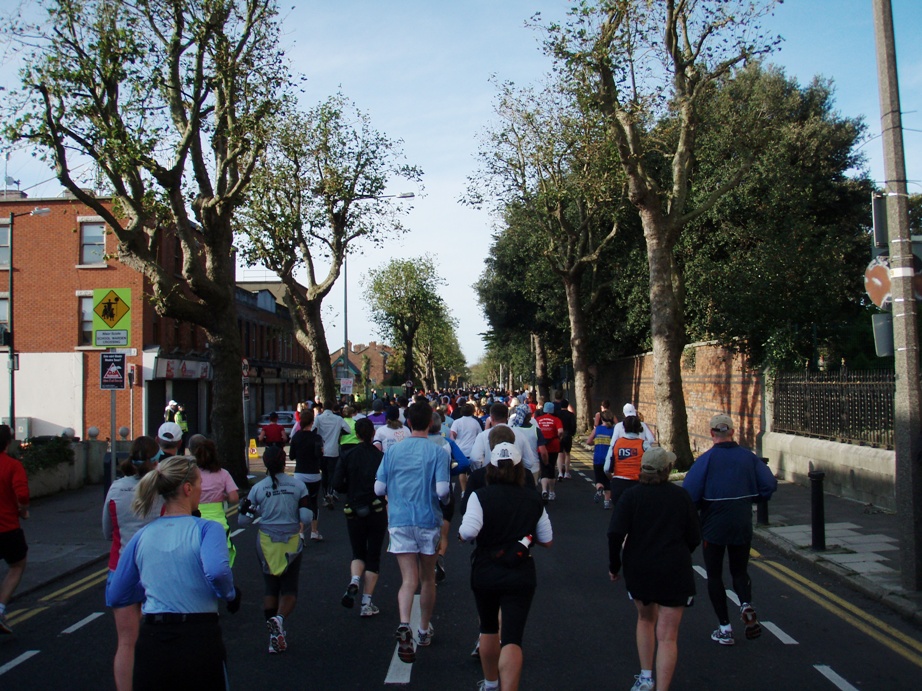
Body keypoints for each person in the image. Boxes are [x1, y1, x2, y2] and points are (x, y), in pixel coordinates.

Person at [106, 456, 241, 690]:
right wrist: (230, 594)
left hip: (153, 640)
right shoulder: (208, 529)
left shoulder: (143, 535)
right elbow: (218, 572)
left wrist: (153, 584)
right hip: (199, 636)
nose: (202, 489)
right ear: (188, 489)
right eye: (200, 484)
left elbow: (117, 593)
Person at [459, 441, 553, 691]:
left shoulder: (481, 496)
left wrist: (461, 534)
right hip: (520, 570)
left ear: (491, 468)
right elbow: (547, 539)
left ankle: (490, 683)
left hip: (486, 569)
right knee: (512, 637)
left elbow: (468, 532)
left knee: (488, 627)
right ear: (519, 469)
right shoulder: (532, 499)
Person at [608, 447, 700, 691]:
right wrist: (680, 554)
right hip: (674, 570)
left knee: (645, 619)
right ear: (667, 470)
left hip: (641, 568)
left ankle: (646, 677)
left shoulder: (631, 496)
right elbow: (694, 536)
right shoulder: (681, 497)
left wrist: (614, 565)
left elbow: (615, 533)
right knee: (668, 635)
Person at [683, 413, 778, 646]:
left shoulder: (706, 460)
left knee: (714, 575)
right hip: (741, 521)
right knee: (740, 571)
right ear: (733, 432)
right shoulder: (749, 457)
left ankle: (725, 628)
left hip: (714, 524)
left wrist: (697, 509)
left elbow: (690, 493)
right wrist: (753, 497)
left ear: (712, 433)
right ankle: (745, 604)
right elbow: (768, 485)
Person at [374, 402, 450, 664]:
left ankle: (404, 622)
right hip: (428, 519)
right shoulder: (438, 451)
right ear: (430, 423)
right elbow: (442, 492)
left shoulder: (392, 451)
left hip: (399, 519)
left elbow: (378, 488)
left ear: (407, 422)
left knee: (408, 580)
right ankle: (423, 630)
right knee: (428, 578)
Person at [101, 435, 162, 690]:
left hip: (121, 568)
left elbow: (107, 531)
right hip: (157, 571)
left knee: (126, 642)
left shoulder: (116, 488)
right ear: (156, 460)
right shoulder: (162, 490)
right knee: (159, 640)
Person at [238, 446, 312, 654]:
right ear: (283, 461)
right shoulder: (298, 486)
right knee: (289, 588)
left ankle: (273, 636)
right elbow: (306, 518)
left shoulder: (258, 489)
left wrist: (259, 510)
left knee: (270, 587)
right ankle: (279, 620)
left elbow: (243, 520)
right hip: (291, 541)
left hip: (266, 542)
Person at [332, 418, 387, 617]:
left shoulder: (347, 455)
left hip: (353, 508)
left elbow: (337, 484)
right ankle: (367, 602)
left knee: (357, 552)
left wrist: (351, 490)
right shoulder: (380, 457)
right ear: (373, 434)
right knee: (373, 555)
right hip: (376, 508)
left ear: (356, 434)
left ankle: (355, 579)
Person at [0, 424, 29, 635]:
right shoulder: (12, 465)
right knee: (17, 565)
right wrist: (23, 510)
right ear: (8, 443)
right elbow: (23, 495)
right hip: (7, 528)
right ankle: (0, 608)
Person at [194, 438, 239, 567]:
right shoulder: (223, 474)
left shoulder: (193, 474)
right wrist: (224, 497)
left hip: (196, 519)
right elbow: (234, 498)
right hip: (218, 520)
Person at [289, 408, 326, 542]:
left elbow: (292, 456)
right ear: (312, 422)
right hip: (314, 474)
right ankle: (314, 531)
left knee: (301, 502)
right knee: (313, 502)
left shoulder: (296, 437)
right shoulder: (317, 438)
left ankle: (300, 532)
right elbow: (320, 455)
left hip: (299, 474)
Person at [605, 416, 653, 510]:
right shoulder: (644, 445)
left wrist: (612, 478)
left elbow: (606, 468)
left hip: (618, 484)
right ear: (640, 428)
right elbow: (651, 466)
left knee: (620, 516)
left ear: (624, 427)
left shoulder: (616, 444)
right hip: (637, 484)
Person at [314, 402, 351, 509]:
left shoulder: (319, 418)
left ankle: (325, 495)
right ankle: (331, 492)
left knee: (324, 473)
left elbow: (313, 430)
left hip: (322, 450)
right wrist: (339, 433)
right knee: (332, 473)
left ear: (323, 408)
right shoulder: (338, 419)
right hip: (333, 450)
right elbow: (348, 430)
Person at [604, 403, 655, 469]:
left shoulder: (619, 426)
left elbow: (613, 444)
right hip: (639, 456)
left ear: (624, 413)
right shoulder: (642, 425)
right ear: (635, 412)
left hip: (622, 457)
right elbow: (651, 439)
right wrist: (644, 446)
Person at [534, 402, 563, 503]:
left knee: (543, 468)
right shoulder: (556, 420)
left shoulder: (538, 420)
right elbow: (560, 431)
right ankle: (552, 492)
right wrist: (559, 437)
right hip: (553, 445)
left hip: (541, 446)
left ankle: (544, 490)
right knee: (551, 468)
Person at [586, 410, 615, 508]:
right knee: (607, 481)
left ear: (601, 419)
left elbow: (589, 441)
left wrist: (597, 443)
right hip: (609, 459)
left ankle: (599, 489)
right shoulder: (613, 430)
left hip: (597, 458)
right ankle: (606, 502)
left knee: (599, 479)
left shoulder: (597, 429)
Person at [555, 399, 577, 481]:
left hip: (559, 435)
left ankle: (560, 472)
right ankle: (567, 472)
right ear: (567, 406)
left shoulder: (557, 414)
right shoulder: (571, 415)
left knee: (560, 454)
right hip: (568, 435)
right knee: (567, 453)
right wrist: (572, 434)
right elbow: (573, 426)